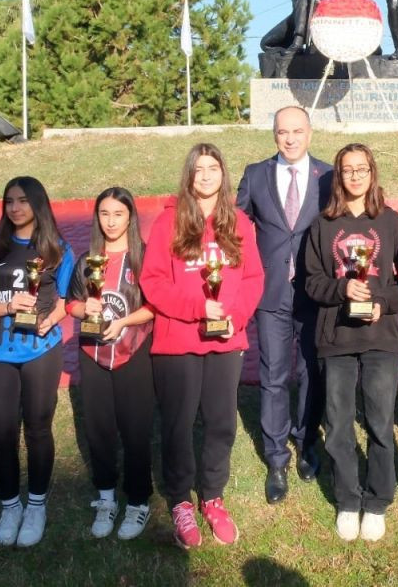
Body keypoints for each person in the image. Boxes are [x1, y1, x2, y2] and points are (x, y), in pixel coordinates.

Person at [141, 143, 264, 549]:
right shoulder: (168, 223)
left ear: (223, 174)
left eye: (213, 168)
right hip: (178, 341)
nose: (207, 175)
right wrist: (198, 306)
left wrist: (235, 315)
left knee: (221, 422)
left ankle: (212, 496)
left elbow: (252, 279)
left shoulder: (240, 223)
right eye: (199, 169)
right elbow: (153, 282)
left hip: (226, 340)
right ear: (189, 176)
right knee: (177, 425)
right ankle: (180, 501)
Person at [302, 143, 398, 543]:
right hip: (336, 338)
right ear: (339, 176)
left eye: (361, 169)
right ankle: (348, 499)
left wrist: (381, 302)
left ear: (372, 173)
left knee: (380, 422)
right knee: (339, 423)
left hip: (381, 337)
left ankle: (378, 500)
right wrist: (343, 287)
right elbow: (312, 280)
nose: (355, 176)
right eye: (347, 170)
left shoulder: (392, 222)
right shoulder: (323, 225)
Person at [0, 176, 75, 548]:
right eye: (9, 201)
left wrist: (52, 320)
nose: (15, 208)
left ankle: (36, 505)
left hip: (41, 351)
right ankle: (10, 506)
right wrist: (9, 306)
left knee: (38, 429)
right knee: (1, 434)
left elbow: (68, 299)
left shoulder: (59, 249)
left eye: (23, 201)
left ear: (38, 204)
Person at [236, 105, 333, 504]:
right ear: (274, 135)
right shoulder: (255, 174)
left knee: (312, 372)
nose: (290, 139)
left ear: (309, 133)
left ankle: (307, 441)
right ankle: (276, 458)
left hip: (315, 293)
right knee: (274, 374)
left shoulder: (328, 175)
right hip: (270, 292)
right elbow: (237, 228)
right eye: (282, 132)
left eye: (297, 131)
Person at [64, 187, 155, 541]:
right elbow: (70, 303)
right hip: (93, 355)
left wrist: (123, 322)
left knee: (135, 430)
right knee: (99, 429)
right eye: (104, 213)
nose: (111, 220)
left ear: (130, 216)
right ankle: (105, 496)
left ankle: (138, 500)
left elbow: (156, 306)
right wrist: (81, 308)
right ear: (97, 217)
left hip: (134, 353)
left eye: (118, 213)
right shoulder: (87, 260)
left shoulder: (144, 257)